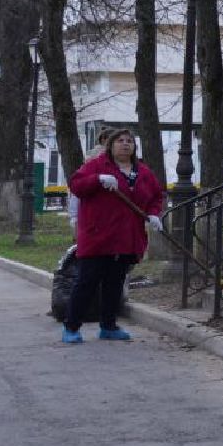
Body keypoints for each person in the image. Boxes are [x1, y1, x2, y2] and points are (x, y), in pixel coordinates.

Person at [63, 128, 165, 343]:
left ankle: (108, 326)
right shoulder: (97, 165)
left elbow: (156, 196)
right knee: (87, 282)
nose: (125, 144)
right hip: (98, 236)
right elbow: (76, 185)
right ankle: (71, 327)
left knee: (115, 283)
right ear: (110, 145)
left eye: (129, 141)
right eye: (120, 140)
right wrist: (97, 179)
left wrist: (154, 215)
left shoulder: (143, 172)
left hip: (127, 238)